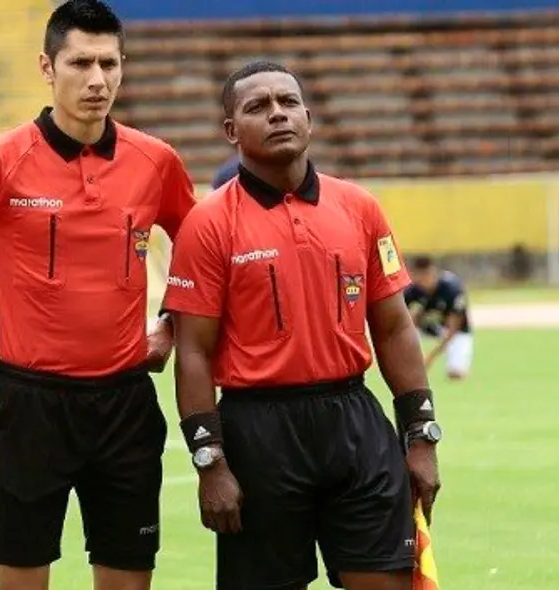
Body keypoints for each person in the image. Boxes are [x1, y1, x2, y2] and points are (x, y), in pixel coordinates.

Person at [0, 1, 196, 588]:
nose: (97, 80)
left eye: (109, 63)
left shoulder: (157, 162)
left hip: (125, 404)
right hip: (31, 405)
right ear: (47, 67)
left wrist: (171, 324)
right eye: (80, 63)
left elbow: (199, 251)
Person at [161, 60, 442, 590]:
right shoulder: (207, 223)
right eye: (257, 107)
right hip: (257, 433)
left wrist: (421, 436)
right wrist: (210, 464)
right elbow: (193, 352)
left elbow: (394, 328)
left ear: (309, 118)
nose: (277, 115)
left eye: (288, 103)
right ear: (231, 132)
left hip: (356, 423)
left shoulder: (359, 207)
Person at [405, 255, 473, 379]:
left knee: (456, 374)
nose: (422, 280)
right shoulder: (413, 290)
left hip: (456, 333)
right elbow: (405, 322)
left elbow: (453, 328)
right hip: (427, 329)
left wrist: (430, 357)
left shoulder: (451, 288)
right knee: (404, 336)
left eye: (425, 276)